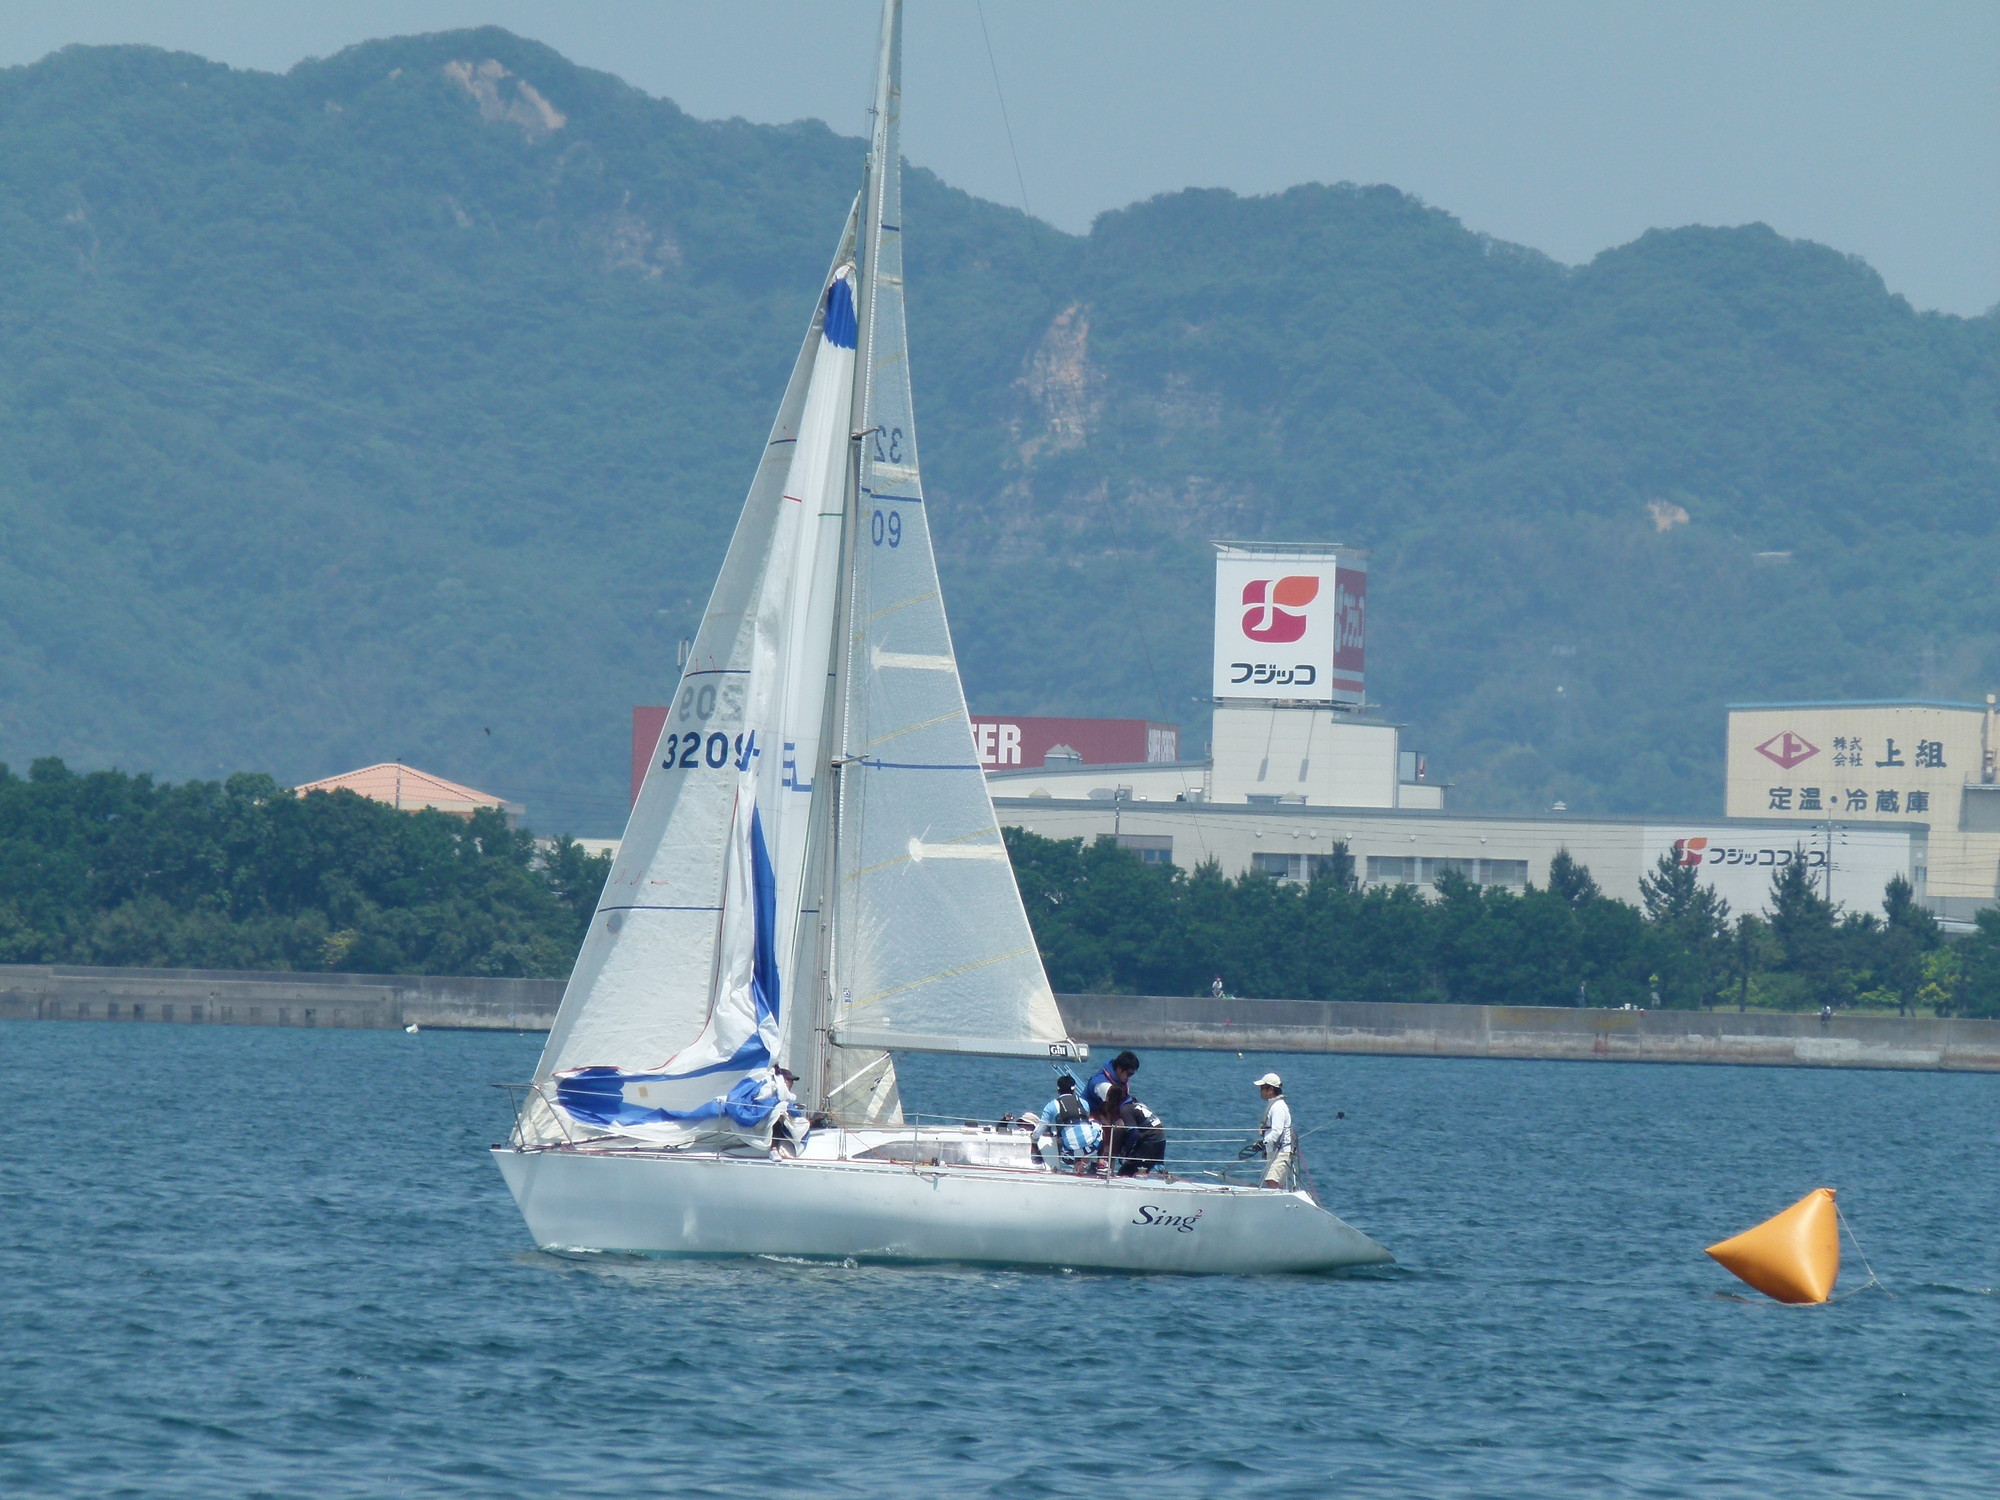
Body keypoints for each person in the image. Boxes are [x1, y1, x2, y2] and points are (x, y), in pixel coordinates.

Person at [1034, 1073, 1088, 1169]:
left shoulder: (1052, 1105)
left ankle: (1043, 1164)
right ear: (1074, 1090)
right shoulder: (1084, 1103)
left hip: (1066, 1145)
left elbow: (1042, 1127)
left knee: (1054, 1138)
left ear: (1058, 1091)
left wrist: (1034, 1137)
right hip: (1087, 1144)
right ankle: (1084, 1165)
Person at [1252, 1072, 1296, 1190]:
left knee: (1271, 1180)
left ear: (1270, 1089)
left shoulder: (1278, 1107)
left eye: (1262, 1088)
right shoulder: (1274, 1105)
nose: (1260, 1091)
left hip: (1281, 1152)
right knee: (1272, 1182)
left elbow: (1277, 1131)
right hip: (1275, 1151)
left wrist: (1263, 1143)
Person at [1112, 1093, 1167, 1177]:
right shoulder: (1139, 1105)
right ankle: (1165, 1177)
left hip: (1150, 1139)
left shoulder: (1125, 1109)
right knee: (1156, 1165)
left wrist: (1125, 1151)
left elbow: (1134, 1133)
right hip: (1160, 1138)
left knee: (1126, 1172)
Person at [769, 1066, 810, 1155]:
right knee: (777, 1119)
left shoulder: (787, 1096)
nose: (792, 1083)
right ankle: (774, 1148)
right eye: (789, 1080)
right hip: (773, 1123)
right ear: (782, 1080)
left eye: (792, 1081)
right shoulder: (774, 1092)